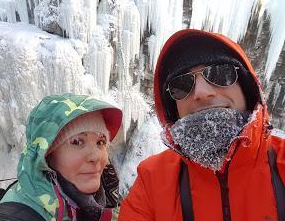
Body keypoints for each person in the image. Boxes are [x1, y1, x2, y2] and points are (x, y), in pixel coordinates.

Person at [118, 29, 285, 221]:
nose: (201, 92)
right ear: (173, 107)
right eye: (182, 85)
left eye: (219, 73)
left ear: (247, 89)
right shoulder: (152, 179)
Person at [0, 93, 122, 221]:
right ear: (47, 155)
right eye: (77, 142)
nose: (96, 156)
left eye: (100, 142)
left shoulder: (88, 203)